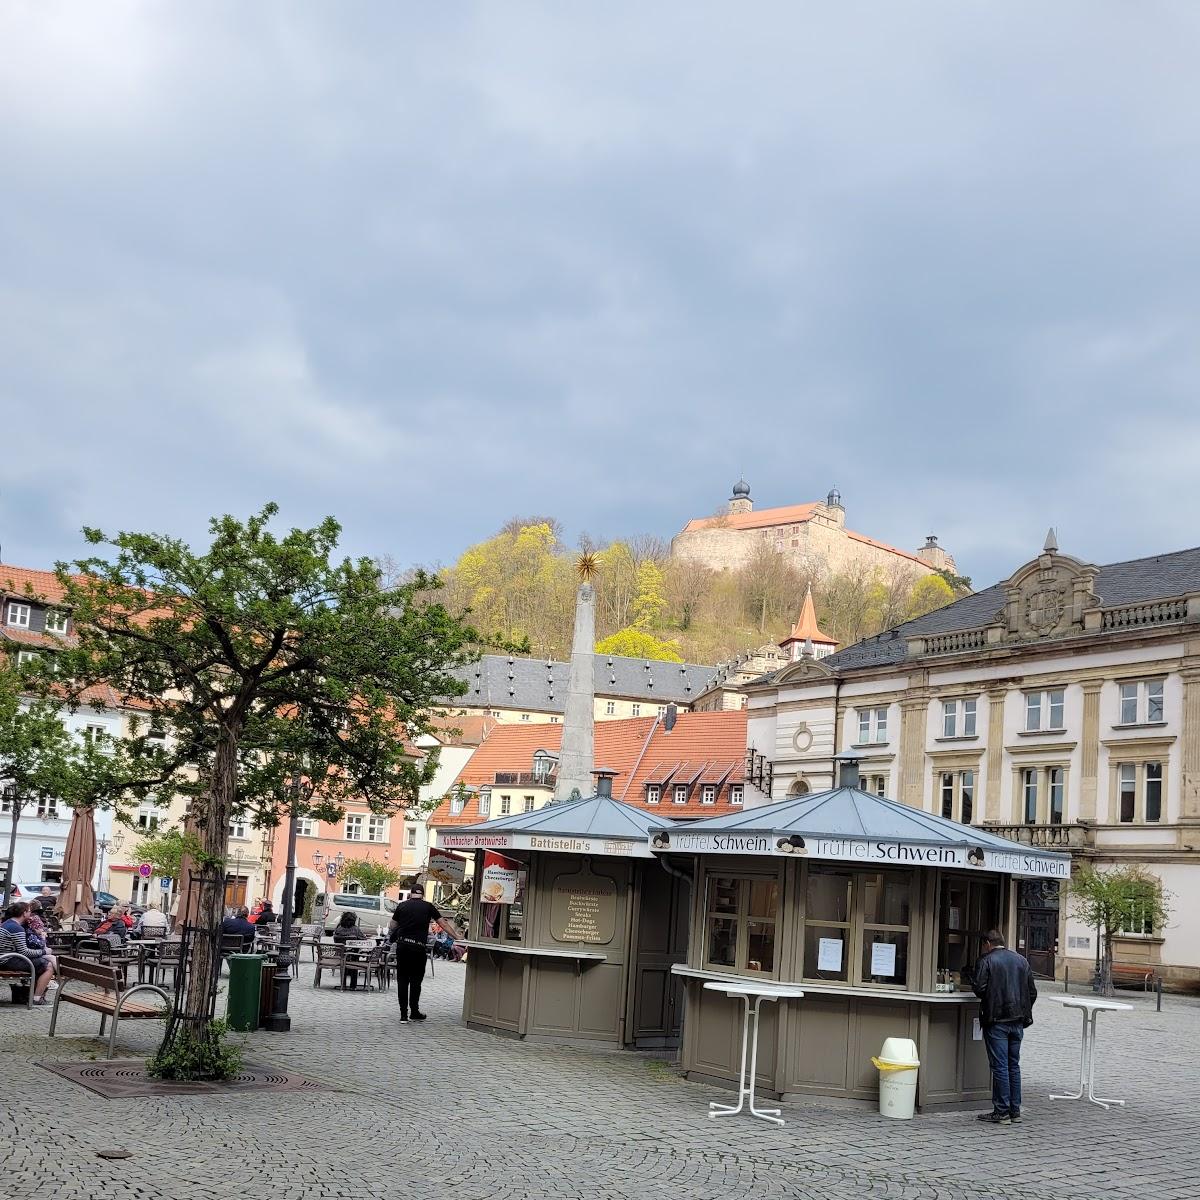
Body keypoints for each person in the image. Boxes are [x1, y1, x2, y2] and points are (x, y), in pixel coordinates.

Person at [972, 929, 1037, 1125]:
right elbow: (1032, 992)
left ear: (987, 943)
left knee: (1000, 1066)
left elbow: (979, 989)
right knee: (1013, 1065)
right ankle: (1014, 1110)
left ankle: (1001, 1111)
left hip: (997, 1020)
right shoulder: (1021, 960)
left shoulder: (987, 961)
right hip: (1017, 1021)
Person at [388, 883, 460, 1023]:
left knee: (402, 980)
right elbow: (443, 924)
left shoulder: (402, 906)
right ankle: (414, 1012)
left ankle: (403, 1015)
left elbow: (392, 925)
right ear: (423, 894)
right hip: (418, 948)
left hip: (402, 947)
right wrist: (456, 937)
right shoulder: (428, 907)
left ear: (411, 893)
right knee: (416, 981)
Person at [0, 902, 55, 1004]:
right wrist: (43, 951)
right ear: (24, 913)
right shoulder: (16, 928)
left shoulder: (8, 923)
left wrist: (28, 924)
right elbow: (24, 952)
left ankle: (36, 995)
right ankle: (36, 999)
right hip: (7, 960)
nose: (31, 914)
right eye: (29, 911)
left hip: (5, 957)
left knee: (45, 959)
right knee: (48, 966)